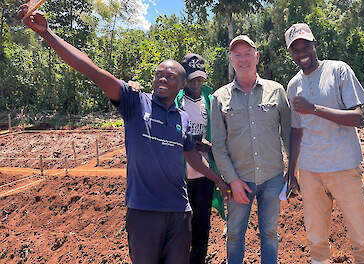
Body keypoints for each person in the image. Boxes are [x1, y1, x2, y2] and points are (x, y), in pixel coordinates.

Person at [18, 6, 230, 264]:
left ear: (182, 84)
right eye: (158, 74)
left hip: (179, 211)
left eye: (170, 75)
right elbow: (92, 71)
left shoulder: (182, 118)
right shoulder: (134, 102)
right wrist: (47, 33)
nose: (162, 78)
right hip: (144, 213)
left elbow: (192, 157)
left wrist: (217, 179)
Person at [284, 23, 364, 264]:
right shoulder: (293, 85)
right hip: (310, 171)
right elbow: (296, 131)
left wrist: (314, 109)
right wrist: (291, 170)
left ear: (315, 45)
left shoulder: (338, 70)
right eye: (296, 49)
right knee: (316, 238)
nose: (302, 52)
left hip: (343, 167)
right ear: (290, 54)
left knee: (361, 236)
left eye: (306, 46)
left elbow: (357, 118)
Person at [129, 53, 226, 264]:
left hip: (203, 173)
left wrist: (209, 148)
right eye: (192, 79)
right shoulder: (173, 98)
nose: (197, 83)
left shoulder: (210, 98)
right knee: (181, 228)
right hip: (177, 176)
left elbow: (218, 132)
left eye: (200, 79)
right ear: (184, 80)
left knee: (202, 226)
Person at [210, 35, 291, 264]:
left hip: (272, 178)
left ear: (257, 57)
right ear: (231, 59)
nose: (243, 59)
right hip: (240, 180)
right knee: (235, 236)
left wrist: (292, 168)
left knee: (269, 234)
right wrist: (233, 181)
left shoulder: (276, 91)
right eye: (238, 55)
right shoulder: (219, 97)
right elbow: (218, 145)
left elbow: (287, 134)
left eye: (248, 54)